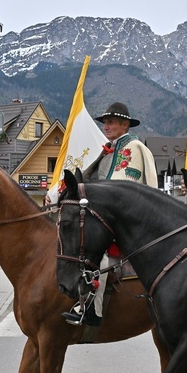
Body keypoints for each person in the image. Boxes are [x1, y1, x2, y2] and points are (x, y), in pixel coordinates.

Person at [58, 102, 157, 326]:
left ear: (125, 124)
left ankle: (93, 309)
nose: (106, 126)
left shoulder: (137, 148)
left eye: (111, 122)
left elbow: (146, 185)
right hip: (103, 218)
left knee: (97, 256)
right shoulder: (106, 152)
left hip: (127, 220)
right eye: (105, 122)